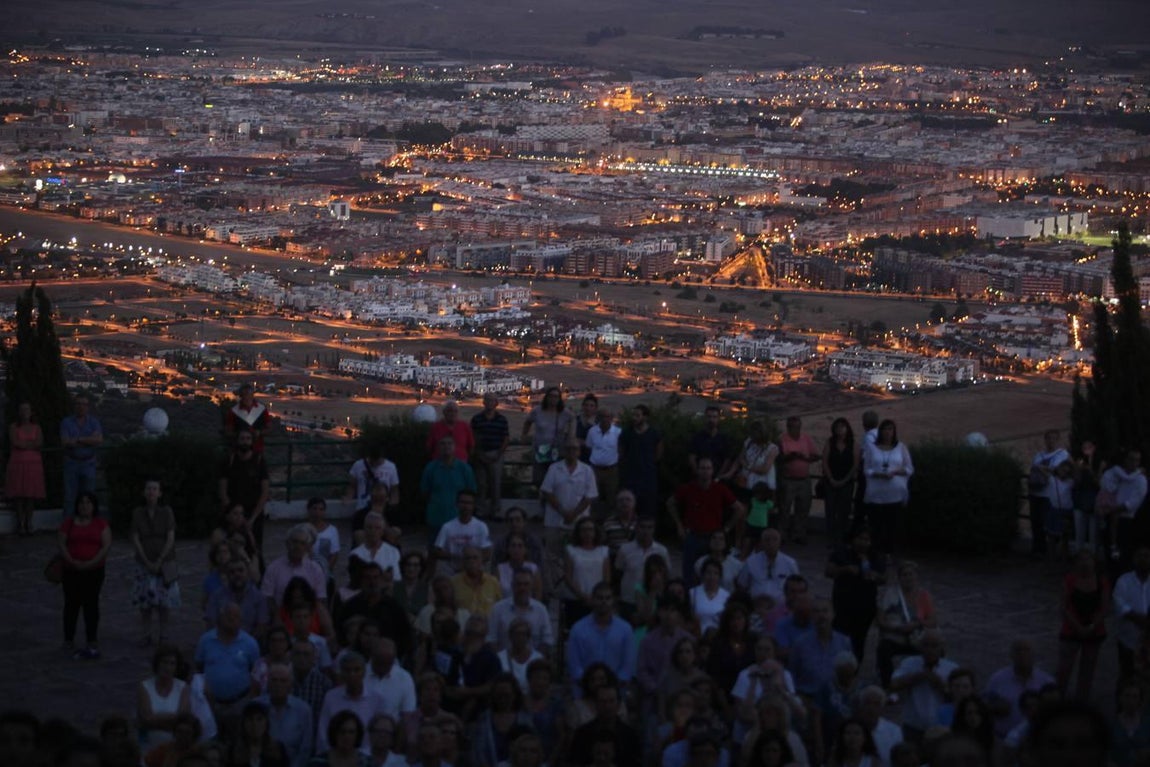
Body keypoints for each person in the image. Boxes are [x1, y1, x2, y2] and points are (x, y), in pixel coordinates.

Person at [668, 456, 745, 588]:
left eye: (708, 468)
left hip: (712, 539)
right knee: (689, 576)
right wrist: (679, 525)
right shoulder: (688, 488)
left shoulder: (720, 489)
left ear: (712, 471)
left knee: (713, 575)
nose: (705, 471)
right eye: (702, 468)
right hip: (692, 537)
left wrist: (727, 528)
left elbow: (739, 509)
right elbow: (670, 503)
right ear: (697, 470)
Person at [195, 602, 261, 739]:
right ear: (220, 618)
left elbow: (255, 671)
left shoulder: (250, 643)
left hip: (239, 704)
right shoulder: (206, 640)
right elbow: (199, 666)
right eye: (228, 615)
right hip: (210, 705)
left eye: (236, 616)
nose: (232, 619)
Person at [58, 491, 111, 659]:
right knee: (71, 604)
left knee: (91, 604)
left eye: (88, 503)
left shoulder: (101, 524)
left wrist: (91, 562)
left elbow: (106, 546)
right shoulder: (68, 523)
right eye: (81, 502)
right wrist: (72, 561)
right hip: (71, 570)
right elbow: (62, 544)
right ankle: (68, 638)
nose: (85, 506)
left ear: (94, 506)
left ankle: (91, 639)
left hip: (94, 570)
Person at [130, 479, 181, 647]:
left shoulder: (166, 512)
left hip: (166, 562)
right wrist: (146, 560)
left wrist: (159, 560)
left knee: (165, 602)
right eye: (148, 488)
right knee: (145, 601)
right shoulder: (138, 513)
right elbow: (136, 538)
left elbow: (170, 537)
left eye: (154, 489)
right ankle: (146, 634)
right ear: (144, 492)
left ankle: (163, 634)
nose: (151, 492)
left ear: (159, 493)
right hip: (144, 561)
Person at [1056, 549, 1109, 702]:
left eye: (1088, 559)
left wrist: (1091, 626)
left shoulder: (1102, 581)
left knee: (1088, 670)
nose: (1085, 563)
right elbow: (1064, 606)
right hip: (1071, 630)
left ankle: (1081, 702)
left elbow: (1104, 608)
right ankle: (1057, 700)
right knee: (1064, 669)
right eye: (1081, 559)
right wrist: (1078, 627)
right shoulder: (1069, 580)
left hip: (1095, 631)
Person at [825, 526, 883, 662]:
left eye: (867, 539)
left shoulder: (875, 555)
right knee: (839, 638)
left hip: (865, 607)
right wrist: (845, 569)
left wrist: (875, 576)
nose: (864, 542)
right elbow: (828, 571)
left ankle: (854, 668)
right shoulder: (841, 553)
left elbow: (884, 577)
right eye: (860, 538)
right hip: (843, 605)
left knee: (859, 641)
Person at [875, 560, 936, 687]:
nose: (908, 577)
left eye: (911, 574)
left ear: (916, 576)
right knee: (883, 649)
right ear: (899, 578)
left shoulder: (924, 596)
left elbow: (933, 621)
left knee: (937, 649)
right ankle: (888, 685)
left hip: (916, 638)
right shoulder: (889, 594)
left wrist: (917, 624)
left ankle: (930, 679)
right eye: (905, 575)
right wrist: (897, 628)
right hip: (895, 637)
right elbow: (880, 621)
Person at [890, 630, 958, 742]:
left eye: (934, 646)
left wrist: (940, 685)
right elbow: (894, 684)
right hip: (913, 727)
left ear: (941, 647)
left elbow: (959, 698)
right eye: (926, 645)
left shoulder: (951, 668)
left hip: (941, 729)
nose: (930, 650)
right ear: (920, 646)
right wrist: (920, 676)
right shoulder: (909, 663)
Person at [337, 562, 414, 660]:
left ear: (381, 580)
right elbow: (340, 634)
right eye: (368, 578)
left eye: (376, 577)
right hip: (356, 659)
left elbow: (406, 636)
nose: (372, 582)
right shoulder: (350, 607)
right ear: (361, 580)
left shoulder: (394, 607)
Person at [316, 652, 388, 755]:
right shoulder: (331, 697)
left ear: (364, 672)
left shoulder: (377, 700)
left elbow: (379, 734)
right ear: (341, 673)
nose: (352, 674)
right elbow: (323, 732)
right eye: (347, 670)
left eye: (356, 670)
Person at [566, 582, 637, 688]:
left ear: (613, 601)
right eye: (600, 598)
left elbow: (627, 666)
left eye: (608, 598)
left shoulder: (625, 630)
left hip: (615, 691)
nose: (604, 601)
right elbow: (575, 666)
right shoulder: (578, 629)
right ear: (592, 600)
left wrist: (612, 687)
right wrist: (590, 685)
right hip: (585, 691)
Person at [983, 638, 1056, 740]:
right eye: (1018, 650)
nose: (1022, 654)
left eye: (1026, 650)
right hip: (1002, 738)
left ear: (1033, 654)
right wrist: (995, 708)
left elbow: (1056, 712)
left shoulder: (1047, 681)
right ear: (1011, 655)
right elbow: (983, 707)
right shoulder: (997, 680)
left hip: (1036, 740)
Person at [859, 419, 912, 558]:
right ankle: (875, 552)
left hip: (894, 494)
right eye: (885, 429)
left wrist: (896, 472)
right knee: (876, 526)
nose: (887, 432)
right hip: (876, 495)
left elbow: (909, 469)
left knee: (891, 526)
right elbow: (866, 470)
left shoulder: (901, 447)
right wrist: (879, 474)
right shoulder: (871, 448)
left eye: (890, 429)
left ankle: (889, 553)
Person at [218, 429, 271, 564]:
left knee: (255, 549)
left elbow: (264, 492)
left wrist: (252, 518)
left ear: (252, 442)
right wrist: (234, 516)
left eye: (248, 439)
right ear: (237, 441)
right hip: (233, 514)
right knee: (231, 549)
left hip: (254, 513)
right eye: (242, 438)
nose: (245, 442)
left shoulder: (259, 461)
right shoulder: (229, 461)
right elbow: (223, 490)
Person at [789, 598, 853, 698]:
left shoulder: (844, 642)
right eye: (816, 611)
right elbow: (793, 675)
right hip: (809, 698)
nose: (821, 616)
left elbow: (849, 676)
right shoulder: (800, 644)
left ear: (833, 614)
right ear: (811, 616)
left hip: (836, 699)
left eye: (825, 611)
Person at [419, 435, 477, 545]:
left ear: (455, 447)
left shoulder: (465, 469)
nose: (446, 446)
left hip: (459, 519)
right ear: (438, 448)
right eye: (443, 444)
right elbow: (425, 491)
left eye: (449, 443)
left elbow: (472, 492)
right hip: (436, 519)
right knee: (434, 550)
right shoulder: (430, 468)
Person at [469, 673, 533, 767]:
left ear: (514, 695)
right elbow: (478, 752)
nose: (503, 699)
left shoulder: (525, 719)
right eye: (499, 695)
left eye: (506, 695)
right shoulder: (484, 719)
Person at [255, 663, 313, 767]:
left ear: (290, 685)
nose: (278, 684)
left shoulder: (303, 710)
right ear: (268, 683)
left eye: (283, 681)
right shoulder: (255, 706)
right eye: (274, 680)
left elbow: (305, 748)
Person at [570, 683, 641, 767]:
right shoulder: (582, 734)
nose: (607, 706)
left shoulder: (630, 736)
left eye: (611, 701)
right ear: (595, 704)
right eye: (603, 701)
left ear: (618, 705)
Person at [137, 645, 191, 753]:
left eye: (172, 663)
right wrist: (172, 720)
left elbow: (183, 719)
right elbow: (146, 719)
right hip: (149, 748)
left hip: (175, 749)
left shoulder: (182, 687)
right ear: (157, 664)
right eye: (164, 662)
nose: (168, 667)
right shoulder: (144, 686)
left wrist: (156, 719)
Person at [776, 416, 820, 545]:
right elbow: (778, 459)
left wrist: (806, 458)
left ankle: (799, 534)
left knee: (803, 508)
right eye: (792, 427)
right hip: (788, 479)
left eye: (797, 427)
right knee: (784, 508)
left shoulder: (806, 438)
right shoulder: (782, 440)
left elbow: (815, 455)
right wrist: (791, 457)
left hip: (803, 479)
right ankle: (782, 534)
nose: (795, 429)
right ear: (788, 427)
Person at [488, 569, 554, 654]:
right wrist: (502, 659)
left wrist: (534, 658)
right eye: (518, 584)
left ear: (532, 586)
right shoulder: (498, 609)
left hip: (533, 660)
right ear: (512, 586)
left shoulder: (541, 609)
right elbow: (491, 639)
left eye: (526, 584)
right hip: (503, 660)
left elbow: (547, 640)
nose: (522, 588)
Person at [1100, 448, 1149, 565]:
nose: (1134, 463)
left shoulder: (1140, 480)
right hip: (1110, 516)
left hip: (1126, 520)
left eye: (1137, 460)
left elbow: (1134, 502)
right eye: (1131, 459)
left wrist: (1113, 509)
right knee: (1109, 549)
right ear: (1125, 460)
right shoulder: (1117, 475)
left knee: (1123, 552)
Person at [615, 518, 669, 621]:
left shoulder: (662, 550)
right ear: (636, 528)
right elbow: (618, 573)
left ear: (654, 529)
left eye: (649, 527)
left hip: (653, 600)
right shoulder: (625, 549)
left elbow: (666, 574)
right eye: (642, 527)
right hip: (629, 599)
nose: (646, 531)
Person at [206, 557, 271, 642]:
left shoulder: (259, 597)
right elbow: (211, 623)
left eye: (241, 570)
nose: (237, 574)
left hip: (250, 643)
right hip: (222, 642)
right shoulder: (216, 596)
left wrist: (244, 644)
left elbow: (261, 626)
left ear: (247, 572)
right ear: (227, 575)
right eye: (232, 572)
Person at [1028, 429, 1070, 557]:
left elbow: (1055, 470)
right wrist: (1043, 469)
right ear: (1045, 440)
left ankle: (1049, 551)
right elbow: (1034, 468)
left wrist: (1040, 467)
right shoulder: (1039, 455)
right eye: (1048, 438)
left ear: (1058, 440)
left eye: (1053, 438)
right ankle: (1037, 550)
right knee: (1036, 522)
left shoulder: (1062, 454)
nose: (1051, 441)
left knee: (1047, 524)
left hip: (1049, 495)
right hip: (1035, 492)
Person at [60, 394, 102, 521]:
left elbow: (98, 440)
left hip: (88, 463)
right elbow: (65, 442)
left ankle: (89, 524)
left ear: (88, 407)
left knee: (89, 496)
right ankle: (68, 526)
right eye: (78, 404)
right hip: (71, 463)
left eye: (84, 404)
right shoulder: (66, 422)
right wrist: (88, 440)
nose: (81, 407)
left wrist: (78, 440)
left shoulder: (94, 422)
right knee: (70, 497)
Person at [263, 524, 328, 606]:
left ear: (307, 547)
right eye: (294, 542)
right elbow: (267, 597)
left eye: (302, 543)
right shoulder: (273, 568)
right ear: (287, 543)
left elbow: (321, 599)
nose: (298, 546)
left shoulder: (315, 569)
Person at [563, 517, 611, 628]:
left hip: (599, 601)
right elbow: (568, 577)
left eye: (590, 529)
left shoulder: (603, 550)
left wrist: (597, 597)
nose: (587, 533)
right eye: (583, 530)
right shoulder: (571, 550)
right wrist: (583, 597)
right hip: (575, 600)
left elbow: (607, 577)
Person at [5, 401, 44, 536]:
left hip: (33, 464)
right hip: (18, 463)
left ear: (31, 412)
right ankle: (21, 524)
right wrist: (30, 444)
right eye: (22, 410)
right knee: (19, 495)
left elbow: (39, 442)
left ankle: (29, 522)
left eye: (27, 409)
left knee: (30, 495)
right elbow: (15, 442)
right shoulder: (13, 427)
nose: (25, 412)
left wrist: (25, 445)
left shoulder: (37, 427)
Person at [431, 490, 492, 575]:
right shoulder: (447, 527)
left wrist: (472, 562)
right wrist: (455, 556)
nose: (465, 506)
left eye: (469, 503)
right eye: (462, 502)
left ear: (474, 506)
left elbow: (487, 553)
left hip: (474, 573)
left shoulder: (481, 526)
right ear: (457, 504)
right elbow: (437, 551)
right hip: (452, 572)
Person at [619, 403, 663, 520]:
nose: (634, 418)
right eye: (633, 415)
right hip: (630, 477)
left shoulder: (654, 434)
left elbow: (658, 453)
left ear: (645, 417)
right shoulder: (627, 433)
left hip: (648, 477)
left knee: (648, 509)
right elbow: (621, 452)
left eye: (637, 415)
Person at [522, 386, 573, 487]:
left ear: (559, 398)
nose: (553, 399)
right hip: (540, 451)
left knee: (556, 481)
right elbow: (527, 422)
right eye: (551, 396)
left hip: (557, 451)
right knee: (539, 480)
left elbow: (573, 419)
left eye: (556, 396)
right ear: (546, 397)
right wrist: (524, 435)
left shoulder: (564, 412)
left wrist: (571, 436)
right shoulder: (537, 411)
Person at [1113, 544, 1150, 680]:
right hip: (1128, 640)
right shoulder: (1124, 581)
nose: (1143, 559)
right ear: (1134, 559)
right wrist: (1140, 619)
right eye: (1140, 556)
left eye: (1146, 556)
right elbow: (1119, 604)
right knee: (1126, 678)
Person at [471, 393, 510, 519]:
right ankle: (480, 510)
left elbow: (506, 438)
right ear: (483, 403)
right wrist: (479, 453)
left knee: (495, 484)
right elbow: (472, 437)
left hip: (496, 454)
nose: (489, 403)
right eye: (487, 400)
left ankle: (496, 511)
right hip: (480, 454)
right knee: (480, 484)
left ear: (496, 403)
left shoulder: (502, 420)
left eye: (492, 401)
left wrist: (498, 454)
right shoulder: (476, 419)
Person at [736, 528, 800, 604]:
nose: (771, 543)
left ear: (780, 542)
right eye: (767, 540)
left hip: (781, 606)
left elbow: (797, 587)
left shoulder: (790, 563)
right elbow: (742, 585)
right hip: (756, 605)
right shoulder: (751, 561)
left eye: (775, 540)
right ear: (761, 542)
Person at [821, 417, 858, 548]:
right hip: (830, 482)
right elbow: (825, 461)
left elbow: (855, 464)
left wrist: (845, 480)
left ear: (847, 428)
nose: (840, 429)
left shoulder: (853, 444)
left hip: (847, 483)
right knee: (830, 511)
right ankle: (831, 539)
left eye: (842, 427)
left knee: (844, 511)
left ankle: (842, 539)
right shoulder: (830, 442)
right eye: (837, 427)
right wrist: (831, 479)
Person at [347, 447, 399, 534]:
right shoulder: (358, 465)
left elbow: (394, 490)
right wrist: (349, 496)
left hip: (383, 509)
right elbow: (352, 485)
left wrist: (392, 507)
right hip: (362, 507)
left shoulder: (391, 467)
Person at [365, 638, 416, 721]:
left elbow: (408, 714)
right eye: (380, 662)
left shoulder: (404, 678)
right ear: (372, 657)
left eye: (387, 663)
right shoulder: (359, 674)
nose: (383, 667)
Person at [226, 701, 289, 767]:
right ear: (243, 724)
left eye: (259, 719)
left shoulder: (278, 749)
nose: (255, 724)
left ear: (266, 723)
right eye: (250, 719)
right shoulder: (233, 751)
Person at [586, 407, 622, 518]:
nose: (605, 419)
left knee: (612, 497)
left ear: (611, 418)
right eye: (602, 417)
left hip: (611, 470)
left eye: (607, 417)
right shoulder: (592, 431)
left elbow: (621, 450)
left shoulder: (618, 432)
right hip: (595, 470)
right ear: (598, 418)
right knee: (593, 497)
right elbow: (589, 447)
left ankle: (610, 520)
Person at [350, 513, 403, 583]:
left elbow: (397, 578)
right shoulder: (355, 554)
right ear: (364, 530)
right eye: (369, 527)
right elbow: (354, 581)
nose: (373, 531)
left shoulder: (393, 552)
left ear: (382, 531)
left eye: (377, 528)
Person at [451, 547, 503, 618]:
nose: (471, 561)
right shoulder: (453, 582)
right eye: (468, 558)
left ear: (481, 560)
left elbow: (500, 607)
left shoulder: (493, 582)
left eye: (475, 558)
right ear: (463, 561)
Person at [1111, 679, 1150, 767]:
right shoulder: (1112, 724)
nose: (1130, 700)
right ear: (1120, 698)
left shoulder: (1147, 723)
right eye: (1127, 696)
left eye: (1135, 697)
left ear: (1140, 700)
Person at [224, 383, 271, 453]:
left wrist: (259, 432)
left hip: (257, 449)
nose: (246, 397)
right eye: (244, 394)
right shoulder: (234, 411)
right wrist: (239, 434)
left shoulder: (262, 409)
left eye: (248, 394)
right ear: (240, 396)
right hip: (239, 450)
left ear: (252, 395)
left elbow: (269, 428)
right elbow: (228, 430)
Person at [495, 533, 542, 600]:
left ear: (525, 550)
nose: (516, 549)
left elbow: (538, 594)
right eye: (513, 546)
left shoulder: (533, 568)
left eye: (520, 546)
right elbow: (496, 595)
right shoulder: (500, 569)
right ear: (508, 549)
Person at [690, 557, 731, 635]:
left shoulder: (727, 596)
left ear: (720, 576)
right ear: (703, 574)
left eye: (716, 573)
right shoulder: (693, 593)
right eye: (708, 572)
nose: (712, 576)